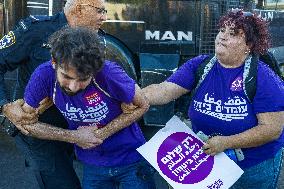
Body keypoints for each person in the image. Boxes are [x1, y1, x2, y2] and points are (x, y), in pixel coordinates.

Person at [129, 9, 284, 189]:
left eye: (233, 34)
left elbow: (272, 129)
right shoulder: (201, 65)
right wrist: (134, 97)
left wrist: (227, 142)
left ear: (249, 45)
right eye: (222, 31)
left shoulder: (263, 76)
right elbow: (165, 90)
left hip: (252, 168)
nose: (222, 37)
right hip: (210, 161)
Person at [18, 26, 156, 189]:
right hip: (93, 164)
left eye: (83, 79)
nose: (74, 86)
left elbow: (143, 104)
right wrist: (73, 136)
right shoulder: (43, 75)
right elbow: (26, 123)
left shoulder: (109, 73)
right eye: (66, 77)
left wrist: (101, 134)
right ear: (54, 62)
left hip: (131, 159)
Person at [0, 0, 107, 188]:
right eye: (100, 10)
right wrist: (5, 106)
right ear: (80, 8)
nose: (104, 17)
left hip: (72, 128)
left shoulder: (93, 39)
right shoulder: (34, 30)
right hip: (38, 130)